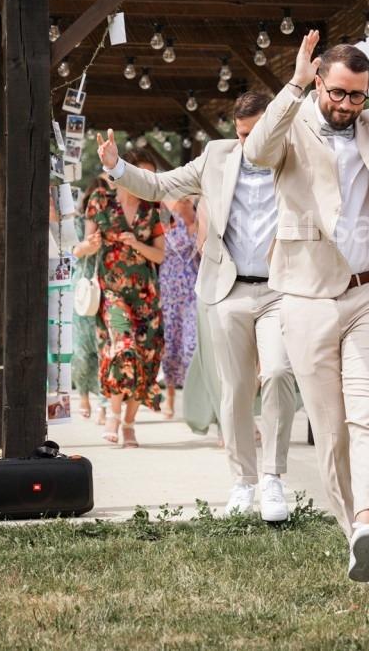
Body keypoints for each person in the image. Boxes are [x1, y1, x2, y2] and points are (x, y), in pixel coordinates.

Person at [243, 31, 369, 582]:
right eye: (337, 93)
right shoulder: (294, 122)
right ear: (320, 84)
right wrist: (294, 85)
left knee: (368, 417)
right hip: (307, 298)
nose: (346, 105)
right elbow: (257, 152)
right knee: (332, 435)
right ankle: (357, 540)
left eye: (357, 95)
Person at [96, 91, 297, 522]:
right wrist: (116, 166)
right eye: (241, 134)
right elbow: (159, 185)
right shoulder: (217, 157)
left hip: (281, 290)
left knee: (279, 372)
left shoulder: (297, 155)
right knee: (235, 388)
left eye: (255, 134)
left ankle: (273, 478)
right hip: (229, 289)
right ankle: (243, 482)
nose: (248, 144)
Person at [82, 151, 165, 448]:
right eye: (141, 175)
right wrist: (88, 246)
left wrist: (137, 245)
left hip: (146, 296)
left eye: (150, 177)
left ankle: (129, 425)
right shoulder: (101, 203)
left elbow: (160, 255)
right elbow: (85, 247)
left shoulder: (152, 210)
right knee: (123, 346)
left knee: (145, 358)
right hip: (113, 293)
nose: (146, 182)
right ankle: (113, 416)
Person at [158, 195, 199, 418]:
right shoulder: (166, 214)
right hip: (169, 289)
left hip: (194, 289)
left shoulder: (202, 214)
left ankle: (193, 396)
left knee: (191, 345)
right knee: (170, 345)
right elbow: (171, 243)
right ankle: (171, 396)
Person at [70, 185, 105, 423]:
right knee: (81, 350)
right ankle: (83, 394)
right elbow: (67, 253)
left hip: (108, 287)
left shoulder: (116, 223)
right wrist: (84, 248)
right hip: (82, 286)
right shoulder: (75, 223)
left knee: (106, 350)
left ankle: (104, 404)